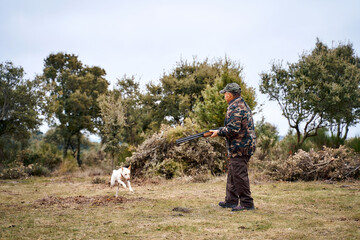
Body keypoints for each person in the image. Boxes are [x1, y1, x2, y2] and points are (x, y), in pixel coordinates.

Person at [209, 83, 256, 211]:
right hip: (242, 145)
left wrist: (219, 132)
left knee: (239, 175)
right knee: (233, 173)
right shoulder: (241, 104)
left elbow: (233, 129)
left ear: (229, 94)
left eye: (225, 93)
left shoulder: (235, 107)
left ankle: (247, 203)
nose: (224, 96)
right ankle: (231, 200)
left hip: (241, 147)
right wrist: (219, 130)